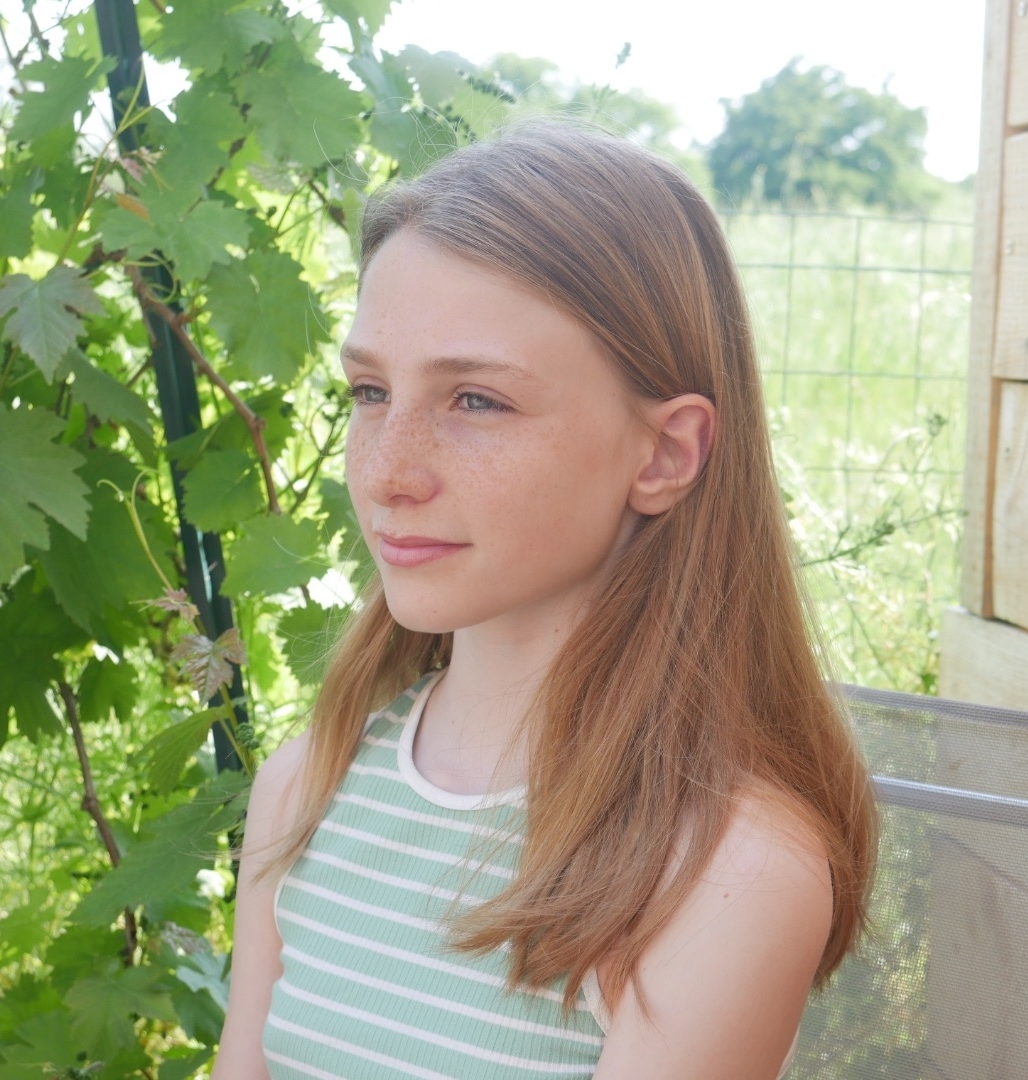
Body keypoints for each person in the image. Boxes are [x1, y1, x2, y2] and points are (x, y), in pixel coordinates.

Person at [212, 119, 878, 1080]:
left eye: (476, 400)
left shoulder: (725, 872)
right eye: (369, 392)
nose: (388, 472)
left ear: (665, 454)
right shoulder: (311, 787)